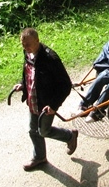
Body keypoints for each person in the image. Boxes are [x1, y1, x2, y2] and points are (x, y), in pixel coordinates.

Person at [12, 27, 78, 171]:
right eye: (23, 45)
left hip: (47, 104)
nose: (25, 48)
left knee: (44, 131)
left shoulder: (50, 58)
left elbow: (65, 85)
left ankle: (69, 136)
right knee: (33, 130)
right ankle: (39, 157)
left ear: (37, 40)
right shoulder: (28, 53)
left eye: (28, 44)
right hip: (33, 100)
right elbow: (28, 72)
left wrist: (53, 105)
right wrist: (23, 84)